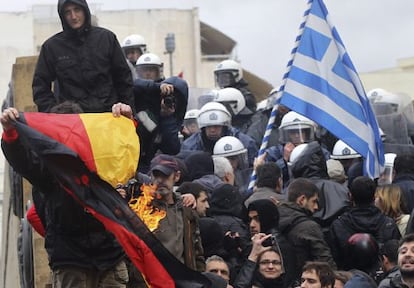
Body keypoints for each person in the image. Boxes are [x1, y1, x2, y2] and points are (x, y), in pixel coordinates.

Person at [1, 106, 134, 287]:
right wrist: (10, 133)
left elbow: (128, 154)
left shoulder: (101, 159)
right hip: (72, 262)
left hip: (110, 258)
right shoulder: (49, 170)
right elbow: (24, 162)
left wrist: (126, 122)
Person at [33, 0, 134, 114]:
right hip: (73, 122)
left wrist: (126, 109)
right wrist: (53, 113)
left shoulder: (106, 39)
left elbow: (124, 78)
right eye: (67, 12)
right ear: (62, 16)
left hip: (110, 117)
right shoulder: (52, 47)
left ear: (85, 10)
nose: (73, 16)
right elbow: (40, 86)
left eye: (77, 10)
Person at [147, 154, 205, 271]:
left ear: (177, 176)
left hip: (182, 280)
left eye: (165, 175)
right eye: (156, 175)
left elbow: (197, 251)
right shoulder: (142, 207)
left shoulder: (186, 209)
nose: (160, 180)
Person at [330, 176, 401, 270]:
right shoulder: (389, 224)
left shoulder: (338, 225)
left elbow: (334, 257)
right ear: (374, 196)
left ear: (350, 195)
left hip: (348, 279)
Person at [278, 178, 337, 280]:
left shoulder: (276, 216)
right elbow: (325, 262)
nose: (316, 207)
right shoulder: (309, 227)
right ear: (302, 200)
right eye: (314, 201)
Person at [181, 102, 258, 166]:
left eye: (216, 126)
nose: (212, 130)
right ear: (203, 128)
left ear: (224, 126)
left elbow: (251, 169)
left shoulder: (245, 143)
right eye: (208, 126)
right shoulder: (189, 146)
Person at [246, 199, 296, 287]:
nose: (252, 225)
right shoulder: (255, 243)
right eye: (250, 219)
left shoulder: (278, 245)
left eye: (257, 219)